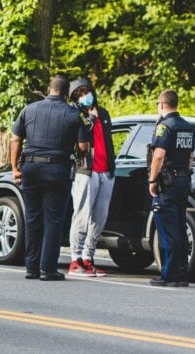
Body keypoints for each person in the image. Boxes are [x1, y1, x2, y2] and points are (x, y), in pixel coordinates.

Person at [11, 75, 87, 281]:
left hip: (31, 168)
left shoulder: (29, 109)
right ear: (65, 93)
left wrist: (15, 168)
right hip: (57, 170)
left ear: (49, 89)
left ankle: (31, 268)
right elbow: (82, 147)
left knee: (33, 218)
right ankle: (48, 269)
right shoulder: (73, 113)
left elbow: (16, 139)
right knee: (53, 220)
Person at [67, 78, 116, 277]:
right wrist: (91, 120)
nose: (84, 97)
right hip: (86, 171)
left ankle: (88, 257)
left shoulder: (103, 113)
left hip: (106, 171)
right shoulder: (76, 116)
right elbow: (80, 145)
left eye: (86, 92)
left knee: (100, 217)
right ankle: (75, 259)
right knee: (82, 215)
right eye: (79, 94)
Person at [148, 89, 195, 287]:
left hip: (167, 182)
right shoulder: (188, 127)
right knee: (180, 228)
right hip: (184, 180)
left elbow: (158, 155)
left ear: (162, 104)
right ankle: (182, 273)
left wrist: (152, 180)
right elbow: (191, 156)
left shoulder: (165, 127)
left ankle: (169, 275)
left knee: (168, 230)